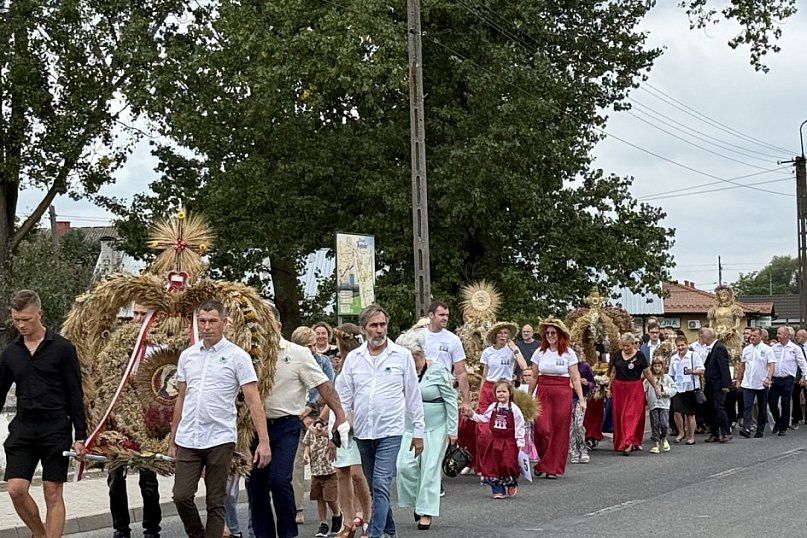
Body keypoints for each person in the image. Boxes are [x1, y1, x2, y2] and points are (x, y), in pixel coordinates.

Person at [169, 300, 270, 538]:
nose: (207, 327)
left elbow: (254, 400)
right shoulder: (188, 356)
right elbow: (181, 398)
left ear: (224, 322)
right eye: (202, 321)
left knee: (216, 500)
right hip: (188, 437)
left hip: (219, 437)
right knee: (181, 496)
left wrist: (263, 441)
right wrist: (173, 439)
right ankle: (197, 534)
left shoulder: (238, 357)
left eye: (212, 321)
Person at [251, 307, 346, 538]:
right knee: (256, 485)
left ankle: (288, 533)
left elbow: (324, 386)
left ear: (278, 326)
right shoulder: (249, 354)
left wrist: (340, 418)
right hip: (254, 426)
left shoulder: (298, 354)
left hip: (286, 425)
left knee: (280, 480)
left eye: (267, 322)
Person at [0, 289, 87, 538]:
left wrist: (80, 436)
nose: (21, 325)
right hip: (24, 427)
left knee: (52, 491)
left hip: (55, 426)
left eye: (26, 319)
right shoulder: (10, 354)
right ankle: (40, 534)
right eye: (16, 319)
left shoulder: (62, 348)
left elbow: (75, 394)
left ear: (40, 314)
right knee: (16, 489)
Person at [335, 305, 425, 538]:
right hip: (364, 432)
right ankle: (390, 532)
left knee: (381, 482)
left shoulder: (402, 356)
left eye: (382, 325)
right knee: (376, 488)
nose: (379, 330)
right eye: (374, 325)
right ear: (364, 329)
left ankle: (375, 534)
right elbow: (344, 395)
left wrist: (418, 432)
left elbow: (413, 395)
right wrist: (338, 425)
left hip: (390, 431)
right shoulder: (354, 359)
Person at [395, 329, 458, 531]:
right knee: (404, 466)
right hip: (409, 426)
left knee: (430, 470)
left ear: (418, 355)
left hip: (436, 427)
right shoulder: (402, 371)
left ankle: (426, 512)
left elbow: (451, 400)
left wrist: (453, 429)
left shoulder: (438, 370)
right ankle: (417, 502)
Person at [108, 303, 161, 538]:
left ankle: (151, 529)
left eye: (143, 314)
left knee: (148, 478)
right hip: (120, 418)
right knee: (115, 478)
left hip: (147, 419)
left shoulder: (160, 346)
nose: (137, 319)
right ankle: (121, 529)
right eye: (135, 314)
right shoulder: (119, 344)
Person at [527, 318, 586, 478]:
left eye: (553, 333)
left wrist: (581, 399)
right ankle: (545, 460)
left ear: (559, 334)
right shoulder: (539, 352)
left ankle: (551, 468)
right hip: (543, 392)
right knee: (542, 428)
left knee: (558, 431)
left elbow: (575, 377)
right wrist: (528, 397)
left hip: (562, 393)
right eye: (547, 333)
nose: (550, 336)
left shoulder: (568, 353)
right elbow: (533, 376)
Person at [290, 326, 336, 526]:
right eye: (309, 346)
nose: (314, 350)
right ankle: (297, 507)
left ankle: (335, 508)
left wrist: (311, 408)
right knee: (296, 463)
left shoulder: (323, 362)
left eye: (314, 345)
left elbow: (328, 387)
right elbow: (289, 391)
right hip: (296, 416)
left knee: (326, 463)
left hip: (319, 416)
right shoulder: (289, 361)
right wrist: (303, 416)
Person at [330, 323, 372, 538]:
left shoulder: (361, 361)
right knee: (341, 473)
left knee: (357, 474)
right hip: (340, 424)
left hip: (357, 424)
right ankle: (347, 522)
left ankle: (367, 517)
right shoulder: (340, 365)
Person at [464, 379, 525, 498]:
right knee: (493, 464)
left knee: (508, 463)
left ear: (509, 393)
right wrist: (472, 415)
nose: (501, 394)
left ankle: (511, 482)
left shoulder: (514, 409)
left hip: (509, 441)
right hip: (495, 441)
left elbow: (519, 426)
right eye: (498, 392)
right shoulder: (493, 407)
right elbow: (484, 418)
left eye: (504, 391)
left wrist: (520, 441)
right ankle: (497, 489)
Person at [609, 332, 661, 455]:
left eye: (627, 346)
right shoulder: (617, 355)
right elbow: (613, 373)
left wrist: (656, 387)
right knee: (620, 416)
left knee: (630, 416)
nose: (625, 348)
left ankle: (628, 443)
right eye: (623, 346)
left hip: (634, 388)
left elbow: (648, 373)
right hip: (619, 388)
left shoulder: (640, 356)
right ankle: (627, 440)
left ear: (633, 344)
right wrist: (609, 387)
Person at [478, 322, 529, 416]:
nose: (502, 335)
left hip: (505, 386)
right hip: (489, 386)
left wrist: (514, 349)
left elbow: (524, 366)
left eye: (505, 333)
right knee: (485, 416)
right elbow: (484, 376)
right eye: (500, 333)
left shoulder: (512, 349)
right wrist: (481, 394)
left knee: (503, 417)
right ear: (495, 335)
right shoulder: (487, 352)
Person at [302, 421, 341, 538]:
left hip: (330, 470)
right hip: (316, 470)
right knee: (319, 498)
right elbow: (307, 443)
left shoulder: (332, 428)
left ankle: (337, 514)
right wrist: (306, 453)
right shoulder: (311, 429)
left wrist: (325, 432)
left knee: (330, 497)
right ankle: (323, 523)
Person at [736, 327, 776, 439]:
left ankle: (760, 429)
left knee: (761, 407)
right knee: (747, 406)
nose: (751, 338)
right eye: (751, 336)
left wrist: (768, 378)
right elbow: (742, 365)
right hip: (748, 383)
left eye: (754, 336)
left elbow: (772, 364)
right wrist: (738, 379)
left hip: (762, 383)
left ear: (760, 336)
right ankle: (746, 428)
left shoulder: (767, 349)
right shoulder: (747, 349)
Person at [768, 326, 807, 436]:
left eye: (779, 333)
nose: (777, 336)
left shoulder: (795, 348)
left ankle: (783, 426)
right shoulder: (774, 348)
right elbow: (769, 362)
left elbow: (802, 363)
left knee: (785, 402)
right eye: (777, 333)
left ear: (786, 335)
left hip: (788, 379)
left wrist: (805, 376)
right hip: (775, 378)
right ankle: (778, 421)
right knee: (772, 401)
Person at [669, 335, 704, 445]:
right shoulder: (674, 358)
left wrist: (693, 371)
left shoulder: (694, 356)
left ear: (687, 345)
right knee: (677, 411)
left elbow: (702, 369)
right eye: (678, 346)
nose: (680, 348)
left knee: (690, 414)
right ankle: (681, 432)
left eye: (682, 345)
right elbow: (671, 374)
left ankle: (691, 436)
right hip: (678, 388)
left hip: (690, 387)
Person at [702, 328, 732, 443]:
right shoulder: (711, 348)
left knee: (719, 407)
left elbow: (724, 367)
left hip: (718, 384)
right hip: (710, 384)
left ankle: (726, 432)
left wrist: (725, 385)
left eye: (702, 336)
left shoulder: (719, 348)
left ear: (707, 337)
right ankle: (714, 433)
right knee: (711, 408)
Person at [644, 358, 677, 453]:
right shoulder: (649, 379)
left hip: (664, 404)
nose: (657, 368)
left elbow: (674, 389)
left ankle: (664, 438)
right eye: (655, 366)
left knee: (663, 423)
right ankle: (656, 443)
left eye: (659, 366)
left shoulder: (666, 378)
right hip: (653, 404)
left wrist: (665, 392)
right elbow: (643, 388)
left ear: (662, 367)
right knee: (655, 424)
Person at [569, 347, 595, 464]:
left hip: (580, 399)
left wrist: (587, 383)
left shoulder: (584, 367)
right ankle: (574, 451)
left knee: (578, 425)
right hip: (567, 399)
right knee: (571, 427)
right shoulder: (565, 367)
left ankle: (583, 451)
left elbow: (593, 383)